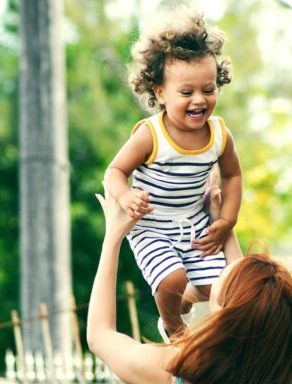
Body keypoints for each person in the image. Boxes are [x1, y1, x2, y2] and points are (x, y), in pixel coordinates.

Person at [88, 183, 292, 384]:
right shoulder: (283, 373)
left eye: (221, 276)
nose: (217, 272)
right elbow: (249, 303)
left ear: (225, 314)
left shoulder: (177, 369)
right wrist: (220, 222)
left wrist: (112, 237)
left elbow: (100, 336)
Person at [103, 9, 242, 341]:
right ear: (160, 93)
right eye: (186, 92)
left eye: (208, 89)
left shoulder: (220, 134)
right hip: (152, 225)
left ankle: (186, 299)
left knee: (217, 288)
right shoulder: (151, 135)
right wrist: (125, 195)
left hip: (194, 223)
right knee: (171, 280)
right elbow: (114, 171)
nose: (199, 99)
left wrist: (226, 221)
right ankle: (174, 328)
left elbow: (233, 176)